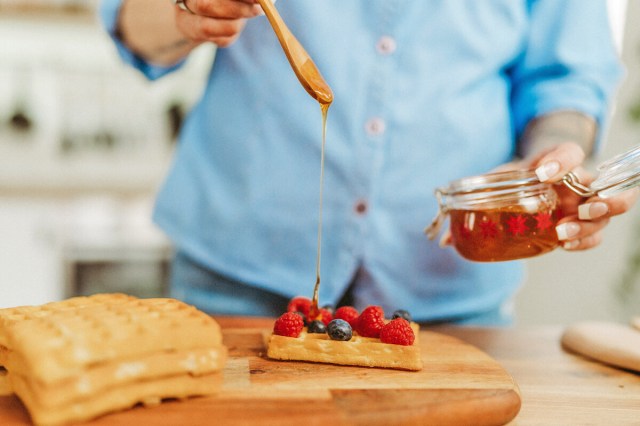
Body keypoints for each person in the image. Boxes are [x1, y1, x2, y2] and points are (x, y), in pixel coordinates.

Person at [100, 0, 638, 325]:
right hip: (237, 273)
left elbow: (567, 76)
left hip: (449, 293)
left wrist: (554, 154)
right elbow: (131, 25)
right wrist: (187, 11)